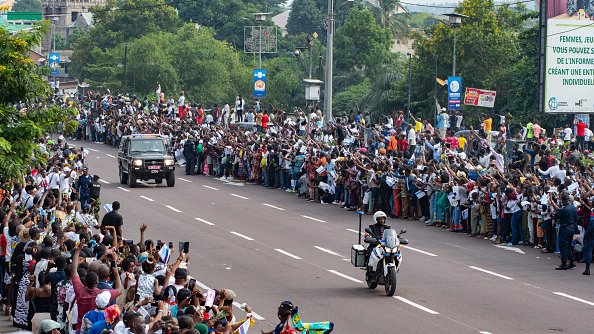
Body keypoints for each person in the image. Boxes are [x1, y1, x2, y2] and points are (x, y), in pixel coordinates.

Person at [554, 191, 578, 270]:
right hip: (571, 227)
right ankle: (571, 262)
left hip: (565, 228)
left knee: (563, 245)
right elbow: (575, 218)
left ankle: (564, 263)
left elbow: (556, 216)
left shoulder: (563, 209)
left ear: (562, 200)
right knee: (569, 245)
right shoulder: (573, 207)